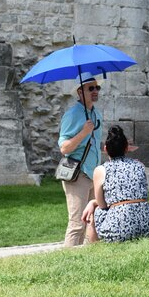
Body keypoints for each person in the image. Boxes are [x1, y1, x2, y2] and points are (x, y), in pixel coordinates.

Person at [80, 125, 149, 242]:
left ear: (105, 149)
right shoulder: (139, 165)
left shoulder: (101, 170)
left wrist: (92, 202)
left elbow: (102, 205)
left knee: (96, 211)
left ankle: (92, 247)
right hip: (147, 225)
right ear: (127, 148)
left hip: (120, 228)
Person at [58, 72, 104, 247]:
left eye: (97, 88)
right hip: (78, 174)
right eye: (90, 88)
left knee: (94, 220)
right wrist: (83, 132)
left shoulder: (96, 114)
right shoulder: (72, 114)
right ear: (79, 92)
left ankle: (88, 258)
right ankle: (68, 261)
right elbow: (64, 148)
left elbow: (94, 144)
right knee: (77, 223)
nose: (95, 91)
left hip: (94, 174)